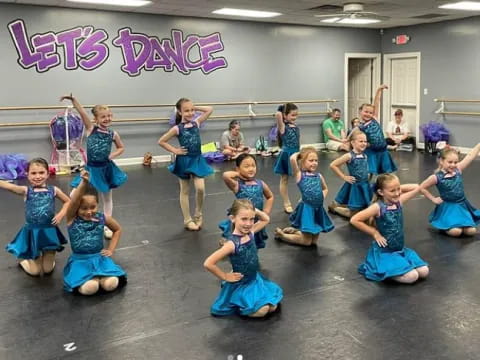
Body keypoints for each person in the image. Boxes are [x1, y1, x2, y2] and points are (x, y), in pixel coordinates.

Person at [61, 94, 127, 240]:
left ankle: (106, 225)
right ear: (96, 119)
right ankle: (78, 216)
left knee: (107, 198)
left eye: (109, 116)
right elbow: (82, 113)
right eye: (103, 117)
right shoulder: (91, 129)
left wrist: (112, 155)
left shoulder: (112, 134)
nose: (107, 119)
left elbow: (121, 147)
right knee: (74, 195)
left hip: (105, 169)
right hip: (91, 168)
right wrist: (74, 101)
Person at [204, 199, 282, 317]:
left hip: (254, 279)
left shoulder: (251, 232)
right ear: (233, 218)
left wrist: (253, 210)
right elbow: (208, 263)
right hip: (241, 284)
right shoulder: (232, 244)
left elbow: (266, 219)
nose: (248, 223)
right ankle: (239, 305)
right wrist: (225, 276)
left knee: (273, 306)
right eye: (244, 219)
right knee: (263, 310)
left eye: (251, 219)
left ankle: (251, 303)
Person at [351, 174, 429, 283]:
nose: (397, 193)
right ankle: (387, 272)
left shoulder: (399, 202)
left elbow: (417, 187)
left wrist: (395, 187)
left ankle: (399, 267)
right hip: (385, 252)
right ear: (381, 192)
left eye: (398, 189)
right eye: (392, 191)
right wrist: (374, 233)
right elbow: (354, 219)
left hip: (399, 249)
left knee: (424, 271)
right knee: (412, 277)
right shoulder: (378, 207)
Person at [0, 158, 69, 276]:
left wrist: (61, 214)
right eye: (33, 173)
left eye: (41, 173)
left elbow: (68, 202)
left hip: (49, 231)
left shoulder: (54, 190)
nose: (38, 176)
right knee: (35, 272)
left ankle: (47, 256)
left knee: (47, 270)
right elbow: (9, 186)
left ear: (48, 173)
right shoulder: (26, 191)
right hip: (33, 232)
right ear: (27, 175)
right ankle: (23, 260)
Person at [63, 171, 126, 295]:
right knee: (90, 288)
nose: (88, 212)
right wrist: (84, 183)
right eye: (84, 208)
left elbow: (117, 229)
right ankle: (93, 279)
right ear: (77, 208)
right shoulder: (72, 218)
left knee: (111, 284)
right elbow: (74, 201)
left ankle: (99, 277)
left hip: (99, 259)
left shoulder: (102, 218)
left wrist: (111, 250)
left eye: (93, 207)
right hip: (80, 261)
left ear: (98, 204)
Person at [158, 98, 213, 231]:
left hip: (197, 159)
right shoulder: (177, 128)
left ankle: (198, 213)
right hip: (184, 161)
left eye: (192, 110)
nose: (190, 113)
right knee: (185, 190)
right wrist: (175, 151)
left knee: (200, 188)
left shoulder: (197, 122)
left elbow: (210, 109)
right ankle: (187, 220)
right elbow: (162, 141)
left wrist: (195, 107)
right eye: (186, 110)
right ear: (179, 112)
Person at [275, 147, 334, 246]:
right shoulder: (299, 176)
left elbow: (325, 189)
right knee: (306, 242)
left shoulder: (319, 176)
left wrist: (321, 197)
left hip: (317, 209)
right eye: (311, 160)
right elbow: (293, 159)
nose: (314, 163)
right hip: (307, 209)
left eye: (316, 160)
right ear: (302, 162)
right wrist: (301, 153)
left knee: (313, 241)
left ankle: (295, 232)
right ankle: (282, 235)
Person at [420, 144, 480, 237]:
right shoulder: (436, 177)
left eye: (455, 162)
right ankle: (445, 226)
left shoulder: (458, 170)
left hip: (461, 206)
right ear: (441, 161)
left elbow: (470, 156)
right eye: (450, 162)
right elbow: (422, 187)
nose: (453, 165)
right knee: (456, 232)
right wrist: (433, 199)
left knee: (471, 231)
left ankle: (459, 224)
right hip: (448, 208)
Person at [219, 154, 274, 249]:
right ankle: (229, 244)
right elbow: (225, 175)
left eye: (253, 165)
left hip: (255, 218)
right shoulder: (237, 185)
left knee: (252, 242)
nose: (251, 169)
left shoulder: (260, 183)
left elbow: (270, 196)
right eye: (246, 166)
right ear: (238, 168)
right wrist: (238, 175)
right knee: (237, 241)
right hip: (242, 218)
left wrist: (266, 211)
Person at [329, 130, 373, 218]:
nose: (364, 143)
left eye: (365, 141)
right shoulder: (349, 156)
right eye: (361, 141)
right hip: (355, 185)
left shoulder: (365, 155)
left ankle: (343, 206)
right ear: (353, 143)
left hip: (364, 184)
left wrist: (368, 175)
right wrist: (344, 176)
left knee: (366, 207)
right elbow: (333, 165)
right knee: (353, 214)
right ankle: (336, 208)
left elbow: (365, 167)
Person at [358, 85, 397, 175]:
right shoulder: (360, 127)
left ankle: (385, 186)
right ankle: (367, 185)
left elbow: (376, 103)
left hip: (382, 150)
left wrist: (379, 90)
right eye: (366, 112)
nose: (368, 114)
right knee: (370, 171)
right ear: (360, 112)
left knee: (387, 172)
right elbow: (356, 138)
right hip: (371, 151)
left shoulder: (374, 119)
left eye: (370, 112)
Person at [273, 103, 300, 214]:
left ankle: (305, 199)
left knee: (301, 177)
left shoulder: (296, 127)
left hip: (296, 154)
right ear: (285, 115)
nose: (295, 117)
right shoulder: (283, 127)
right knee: (284, 179)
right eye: (292, 115)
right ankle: (286, 202)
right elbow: (277, 115)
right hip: (287, 155)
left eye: (296, 115)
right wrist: (281, 109)